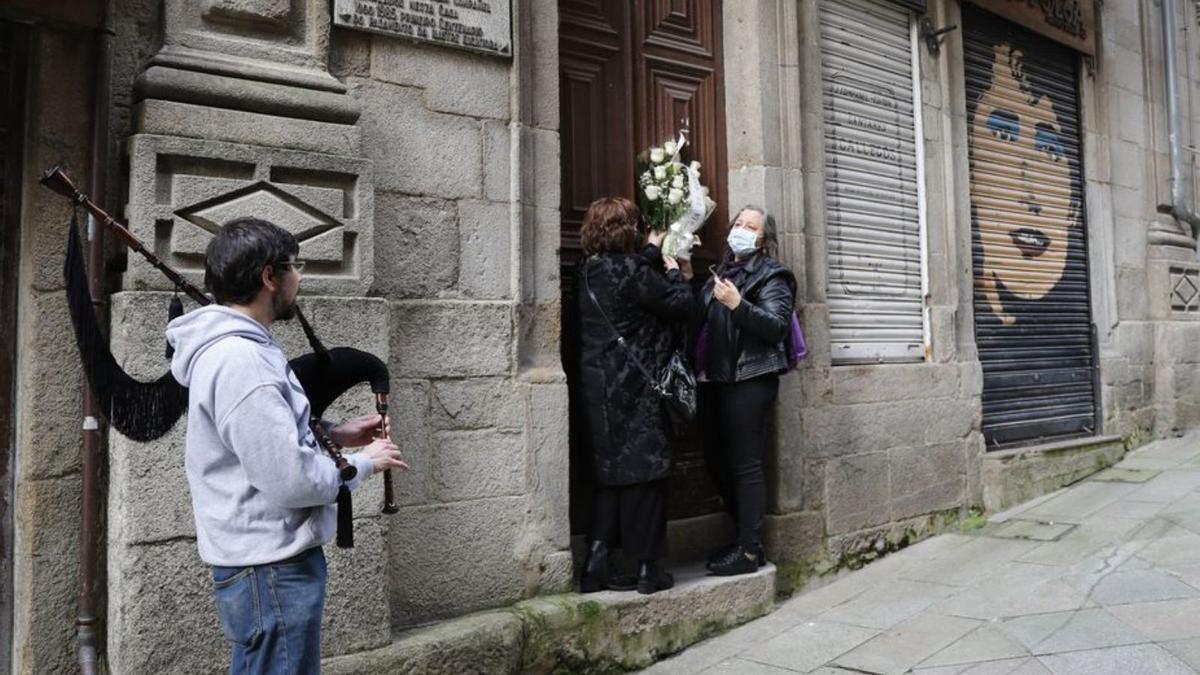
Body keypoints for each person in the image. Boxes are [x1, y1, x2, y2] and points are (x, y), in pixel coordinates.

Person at [166, 217, 408, 674]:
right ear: (268, 277)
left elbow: (259, 443)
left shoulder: (242, 351)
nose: (300, 278)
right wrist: (362, 464)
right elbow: (289, 479)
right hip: (271, 569)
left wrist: (332, 435)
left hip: (265, 566)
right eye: (295, 266)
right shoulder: (242, 361)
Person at [576, 197, 693, 595]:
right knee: (645, 475)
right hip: (637, 385)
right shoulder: (632, 271)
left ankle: (596, 561)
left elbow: (629, 276)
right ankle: (647, 569)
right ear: (628, 230)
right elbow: (678, 304)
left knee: (611, 474)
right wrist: (677, 273)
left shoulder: (588, 271)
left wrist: (649, 251)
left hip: (598, 386)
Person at [681, 206, 796, 576]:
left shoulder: (773, 275)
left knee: (746, 465)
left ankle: (749, 550)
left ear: (763, 238)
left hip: (749, 381)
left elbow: (777, 326)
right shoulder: (722, 270)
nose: (742, 230)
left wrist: (738, 305)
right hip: (715, 379)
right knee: (717, 461)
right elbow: (699, 320)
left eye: (751, 226)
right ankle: (746, 540)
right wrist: (687, 283)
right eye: (739, 224)